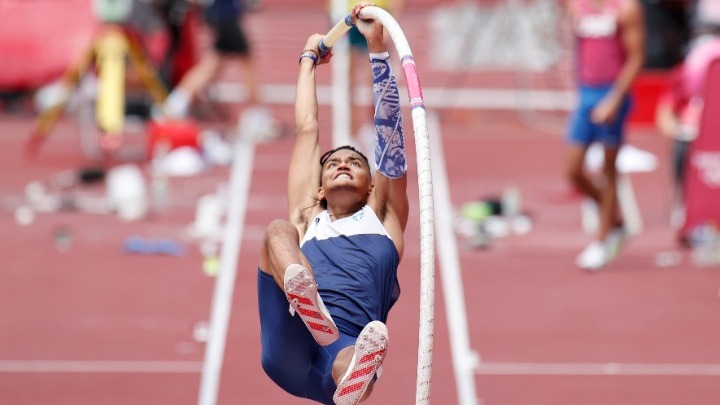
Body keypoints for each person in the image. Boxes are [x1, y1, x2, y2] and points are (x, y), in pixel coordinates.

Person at [257, 4, 409, 404]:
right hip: (290, 338)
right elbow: (306, 129)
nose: (342, 163)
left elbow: (390, 135)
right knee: (278, 230)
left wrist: (377, 49)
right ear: (320, 188)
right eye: (334, 163)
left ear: (371, 186)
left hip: (339, 354)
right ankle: (302, 292)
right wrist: (307, 61)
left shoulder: (386, 220)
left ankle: (353, 384)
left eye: (354, 162)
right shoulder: (310, 218)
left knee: (351, 360)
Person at [565, 0, 646, 270]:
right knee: (573, 170)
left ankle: (602, 239)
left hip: (612, 95)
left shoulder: (626, 8)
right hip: (586, 95)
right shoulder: (576, 5)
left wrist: (614, 100)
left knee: (608, 171)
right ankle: (616, 219)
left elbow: (636, 58)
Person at [162, 0, 277, 139]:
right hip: (224, 14)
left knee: (213, 64)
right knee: (247, 61)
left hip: (222, 14)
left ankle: (176, 102)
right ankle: (255, 113)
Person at [655, 3, 720, 229]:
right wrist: (677, 129)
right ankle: (685, 201)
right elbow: (665, 110)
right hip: (693, 131)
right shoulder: (688, 69)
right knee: (682, 151)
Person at [331, 0, 404, 155]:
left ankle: (373, 130)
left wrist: (394, 16)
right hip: (350, 12)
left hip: (379, 12)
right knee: (350, 79)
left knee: (377, 76)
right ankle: (350, 134)